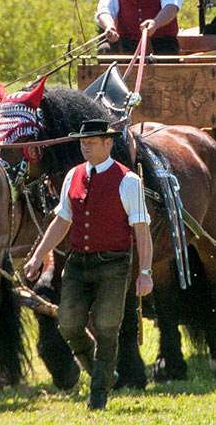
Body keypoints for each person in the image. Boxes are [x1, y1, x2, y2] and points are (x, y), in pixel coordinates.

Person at [23, 119, 153, 411]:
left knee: (107, 327)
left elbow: (142, 232)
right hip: (78, 263)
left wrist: (144, 272)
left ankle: (98, 396)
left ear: (108, 144)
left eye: (91, 142)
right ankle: (102, 373)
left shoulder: (128, 181)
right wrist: (36, 256)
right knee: (68, 324)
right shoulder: (73, 175)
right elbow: (62, 221)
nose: (86, 147)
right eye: (83, 142)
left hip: (114, 265)